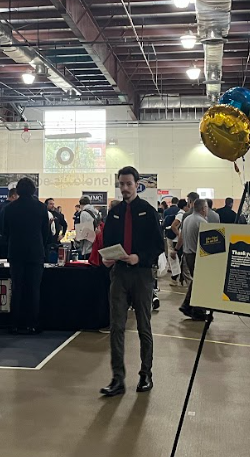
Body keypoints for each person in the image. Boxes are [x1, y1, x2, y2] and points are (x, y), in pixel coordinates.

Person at [99, 166, 164, 397]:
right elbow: (107, 242)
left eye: (128, 184)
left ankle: (146, 374)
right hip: (119, 274)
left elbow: (158, 246)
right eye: (121, 184)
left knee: (144, 326)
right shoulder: (114, 214)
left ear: (137, 184)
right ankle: (118, 378)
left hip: (142, 275)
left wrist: (140, 258)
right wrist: (107, 258)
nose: (124, 188)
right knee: (116, 326)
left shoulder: (148, 211)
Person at [2, 177, 50, 334]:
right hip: (36, 253)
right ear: (33, 190)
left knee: (17, 288)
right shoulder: (41, 208)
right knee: (34, 289)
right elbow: (46, 233)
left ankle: (15, 323)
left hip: (16, 252)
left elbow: (5, 233)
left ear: (18, 191)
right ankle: (33, 323)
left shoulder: (9, 208)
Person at [178, 198, 211, 321]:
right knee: (201, 283)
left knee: (196, 282)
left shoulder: (187, 219)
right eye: (206, 207)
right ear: (203, 209)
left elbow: (181, 236)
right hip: (197, 255)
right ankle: (197, 310)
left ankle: (188, 306)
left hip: (188, 254)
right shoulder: (202, 222)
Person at [162, 198, 183, 281]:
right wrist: (179, 234)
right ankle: (177, 273)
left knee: (170, 251)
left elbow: (164, 221)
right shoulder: (180, 212)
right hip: (178, 236)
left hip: (169, 234)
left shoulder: (166, 211)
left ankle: (172, 268)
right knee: (178, 254)